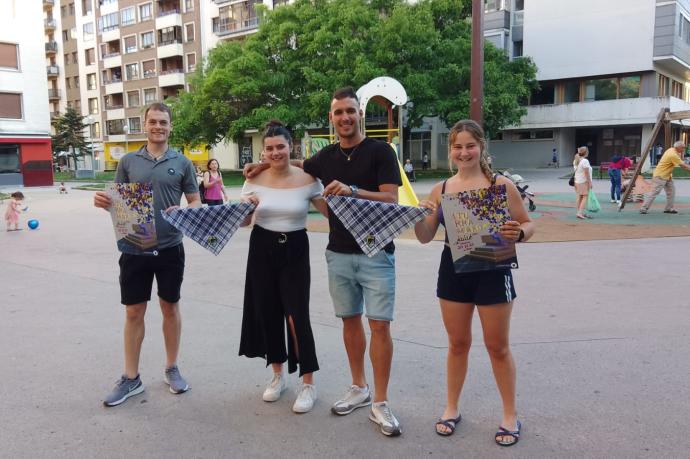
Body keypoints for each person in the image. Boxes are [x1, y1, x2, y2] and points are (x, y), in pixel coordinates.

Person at [245, 86, 404, 436]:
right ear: (331, 118)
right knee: (349, 322)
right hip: (338, 253)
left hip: (377, 251)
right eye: (338, 113)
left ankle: (381, 402)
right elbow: (296, 165)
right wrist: (263, 163)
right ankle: (359, 387)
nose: (344, 117)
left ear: (360, 113)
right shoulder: (325, 158)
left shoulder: (381, 151)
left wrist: (351, 191)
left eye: (350, 111)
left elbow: (391, 199)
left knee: (379, 326)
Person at [414, 120, 534, 445]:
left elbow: (526, 222)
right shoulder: (441, 189)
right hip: (453, 267)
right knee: (457, 344)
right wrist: (419, 215)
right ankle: (451, 408)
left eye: (470, 145)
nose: (464, 152)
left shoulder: (500, 184)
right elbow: (425, 237)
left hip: (493, 265)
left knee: (497, 346)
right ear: (450, 150)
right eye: (457, 146)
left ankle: (510, 414)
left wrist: (520, 233)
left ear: (481, 147)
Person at [93, 102, 201, 407]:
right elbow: (116, 202)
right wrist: (104, 202)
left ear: (170, 126)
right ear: (144, 125)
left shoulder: (182, 163)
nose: (158, 127)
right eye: (153, 121)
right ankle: (131, 378)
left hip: (170, 247)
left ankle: (171, 368)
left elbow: (195, 201)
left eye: (163, 122)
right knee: (133, 312)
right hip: (134, 247)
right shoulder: (128, 161)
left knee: (170, 307)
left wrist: (185, 210)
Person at [239, 120, 329, 414]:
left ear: (291, 147)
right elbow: (243, 222)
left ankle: (308, 383)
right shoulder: (253, 179)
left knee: (296, 315)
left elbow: (331, 212)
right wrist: (248, 208)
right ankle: (277, 376)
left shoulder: (308, 177)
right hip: (261, 247)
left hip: (295, 248)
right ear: (262, 151)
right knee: (268, 311)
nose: (275, 152)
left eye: (281, 146)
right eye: (269, 148)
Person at [640, 140, 690, 214]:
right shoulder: (673, 154)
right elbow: (683, 166)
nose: (683, 150)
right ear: (678, 147)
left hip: (667, 176)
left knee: (671, 192)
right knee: (654, 192)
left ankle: (669, 208)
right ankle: (643, 208)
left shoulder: (671, 150)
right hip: (660, 176)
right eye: (682, 148)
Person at [573, 146, 593, 219]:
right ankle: (580, 213)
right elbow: (586, 173)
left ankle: (579, 212)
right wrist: (590, 182)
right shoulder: (585, 161)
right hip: (583, 182)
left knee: (579, 197)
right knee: (585, 197)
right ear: (586, 152)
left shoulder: (576, 160)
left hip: (577, 181)